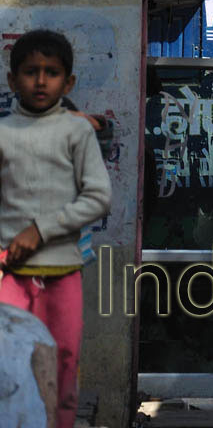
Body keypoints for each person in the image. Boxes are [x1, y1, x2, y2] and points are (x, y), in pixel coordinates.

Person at [0, 29, 112, 428]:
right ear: (13, 80)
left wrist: (40, 230)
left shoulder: (77, 131)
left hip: (62, 273)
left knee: (63, 368)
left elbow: (98, 197)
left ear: (69, 82)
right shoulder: (3, 133)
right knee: (10, 371)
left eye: (52, 72)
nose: (41, 80)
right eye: (31, 71)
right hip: (8, 275)